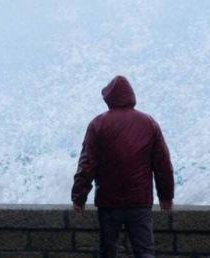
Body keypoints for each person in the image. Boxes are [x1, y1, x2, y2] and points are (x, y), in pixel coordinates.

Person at [71, 75, 174, 258]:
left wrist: (79, 197)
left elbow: (87, 165)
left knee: (108, 252)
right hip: (140, 202)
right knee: (145, 252)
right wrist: (165, 196)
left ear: (109, 99)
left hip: (108, 202)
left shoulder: (98, 124)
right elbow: (162, 164)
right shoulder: (149, 123)